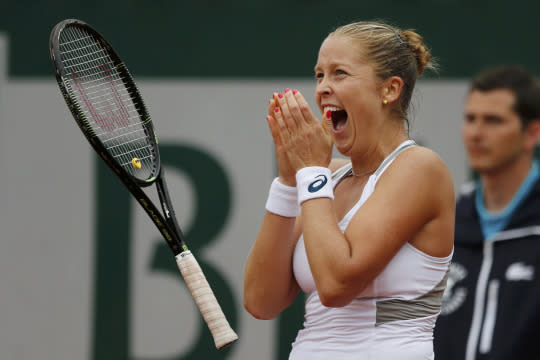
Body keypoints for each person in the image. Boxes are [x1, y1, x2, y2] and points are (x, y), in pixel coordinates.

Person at [243, 20, 455, 359]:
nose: (323, 88)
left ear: (389, 89)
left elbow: (335, 285)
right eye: (319, 75)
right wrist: (287, 183)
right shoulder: (325, 179)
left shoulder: (419, 168)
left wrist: (310, 172)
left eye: (339, 73)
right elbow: (260, 301)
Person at [433, 65, 540, 360]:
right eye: (470, 119)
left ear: (532, 133)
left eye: (493, 121)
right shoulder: (448, 220)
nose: (476, 133)